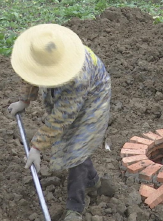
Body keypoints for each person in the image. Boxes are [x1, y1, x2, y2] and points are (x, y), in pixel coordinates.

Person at [8, 24, 111, 221]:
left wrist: (37, 146)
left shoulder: (77, 78)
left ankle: (75, 206)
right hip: (68, 89)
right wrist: (24, 100)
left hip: (94, 94)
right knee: (73, 142)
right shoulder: (40, 49)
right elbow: (31, 72)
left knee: (76, 147)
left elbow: (62, 117)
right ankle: (92, 181)